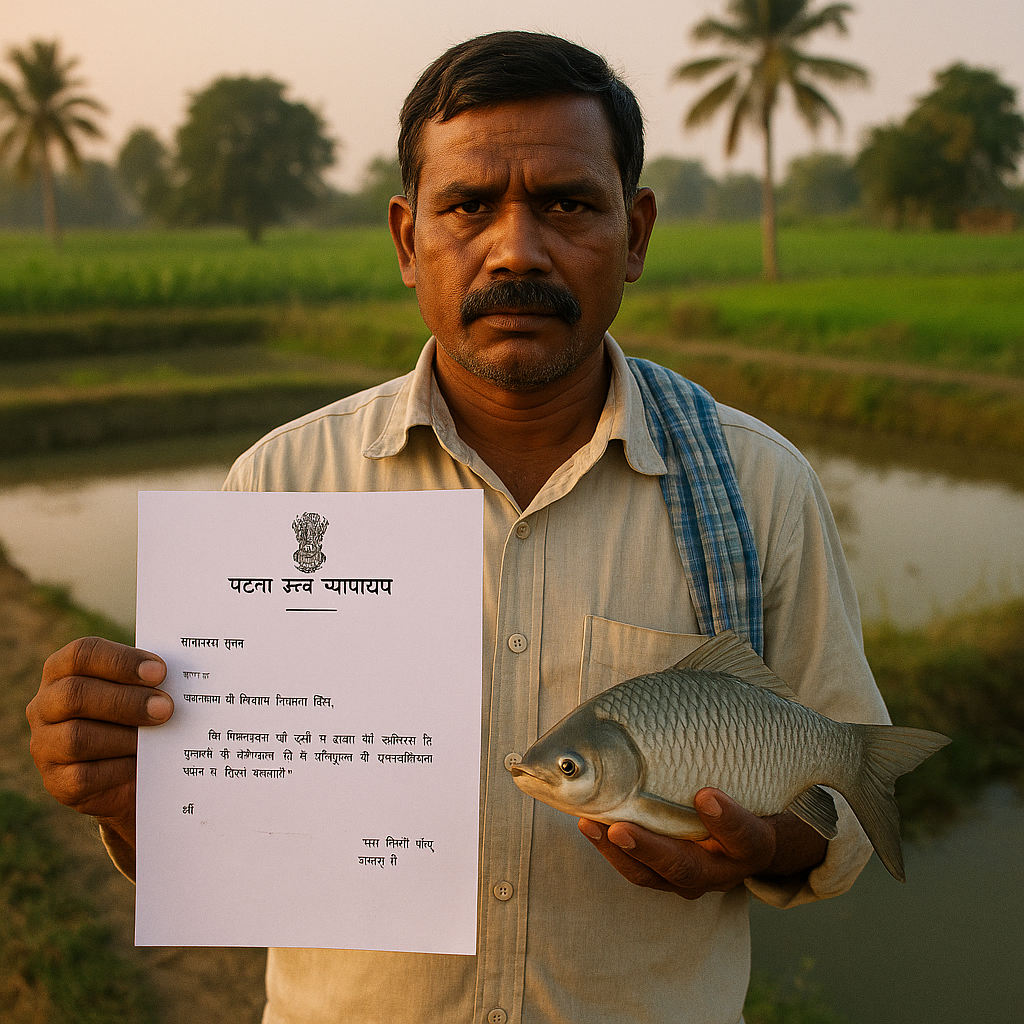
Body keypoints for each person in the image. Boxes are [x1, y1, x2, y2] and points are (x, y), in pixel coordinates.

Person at [27, 31, 889, 1024]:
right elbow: (209, 836)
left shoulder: (754, 487)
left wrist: (766, 845)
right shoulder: (283, 483)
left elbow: (845, 799)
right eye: (468, 206)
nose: (516, 248)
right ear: (406, 239)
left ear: (637, 233)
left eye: (567, 204)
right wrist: (131, 796)